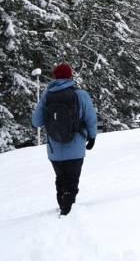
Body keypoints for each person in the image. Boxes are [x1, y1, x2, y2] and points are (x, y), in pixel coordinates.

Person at [32, 62, 97, 216]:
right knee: (72, 180)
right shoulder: (80, 94)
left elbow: (36, 121)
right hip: (75, 147)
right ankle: (67, 208)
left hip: (55, 149)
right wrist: (92, 137)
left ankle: (63, 204)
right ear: (70, 75)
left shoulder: (47, 95)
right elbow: (90, 118)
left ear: (55, 76)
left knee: (61, 178)